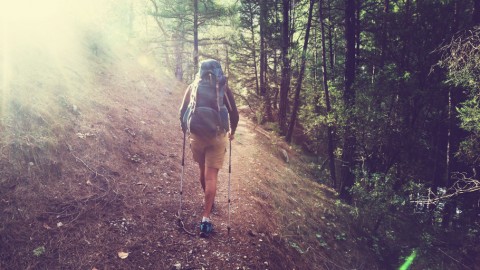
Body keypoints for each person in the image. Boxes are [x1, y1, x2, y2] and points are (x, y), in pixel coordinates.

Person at [179, 59, 239, 237]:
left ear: (201, 71)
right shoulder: (223, 88)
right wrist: (232, 131)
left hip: (197, 136)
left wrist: (185, 129)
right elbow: (234, 114)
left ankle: (208, 200)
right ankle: (206, 218)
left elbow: (182, 110)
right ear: (218, 71)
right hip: (217, 136)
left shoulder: (193, 86)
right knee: (211, 176)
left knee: (201, 170)